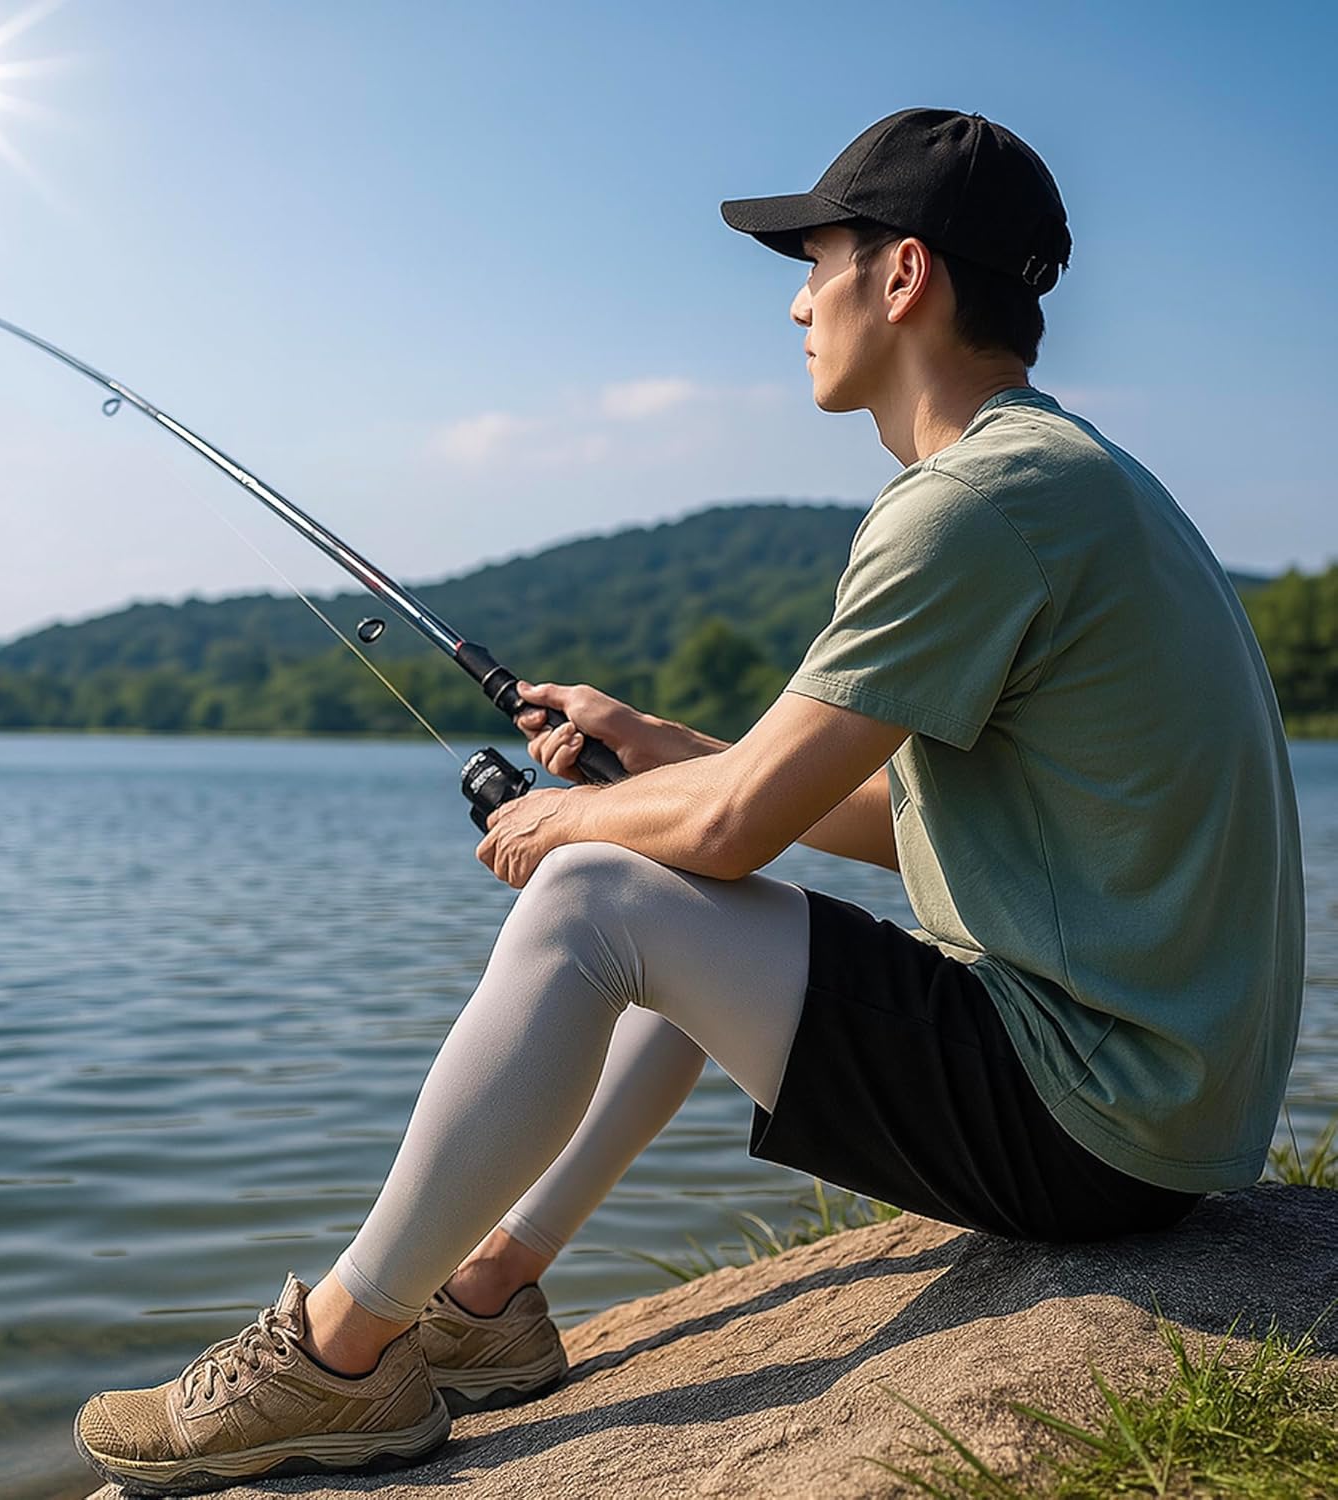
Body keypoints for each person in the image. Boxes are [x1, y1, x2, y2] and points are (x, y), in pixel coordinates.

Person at [73, 108, 1304, 1495]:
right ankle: (485, 1297)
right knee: (668, 884)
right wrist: (657, 747)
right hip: (1162, 1114)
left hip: (1095, 1126)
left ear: (902, 278)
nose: (794, 298)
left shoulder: (971, 506)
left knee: (601, 893)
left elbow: (730, 831)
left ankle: (338, 1360)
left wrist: (568, 824)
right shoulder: (1065, 481)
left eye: (816, 260)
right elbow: (905, 820)